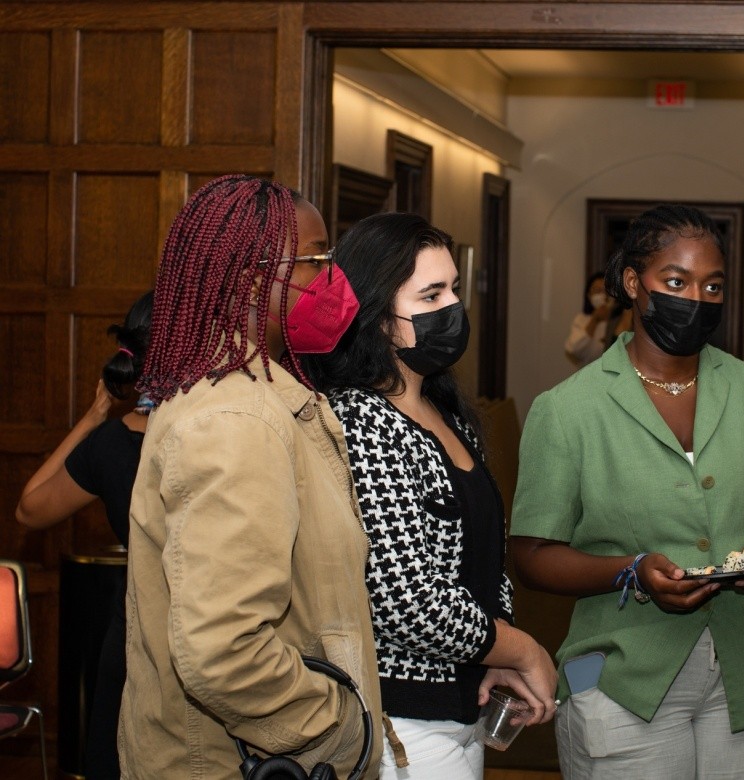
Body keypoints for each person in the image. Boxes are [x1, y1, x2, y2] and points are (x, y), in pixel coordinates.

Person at [510, 204, 744, 779]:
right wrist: (632, 568)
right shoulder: (568, 409)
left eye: (713, 285)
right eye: (676, 281)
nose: (695, 298)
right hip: (624, 678)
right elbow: (530, 556)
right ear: (633, 283)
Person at [120, 174, 383, 778]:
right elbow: (223, 652)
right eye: (318, 260)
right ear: (251, 276)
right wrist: (339, 732)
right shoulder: (237, 420)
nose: (334, 281)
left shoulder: (253, 397)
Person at [302, 212, 557, 780]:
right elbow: (400, 598)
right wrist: (520, 649)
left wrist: (494, 650)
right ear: (376, 314)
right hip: (403, 719)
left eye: (454, 290)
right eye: (430, 294)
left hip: (463, 705)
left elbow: (484, 557)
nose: (452, 309)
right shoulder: (361, 419)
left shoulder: (445, 411)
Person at [16, 290, 152, 779]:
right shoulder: (208, 433)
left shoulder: (112, 443)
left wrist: (95, 416)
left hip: (131, 627)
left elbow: (29, 507)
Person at [564, 271, 629, 368]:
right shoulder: (581, 319)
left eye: (605, 291)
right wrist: (595, 319)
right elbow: (573, 349)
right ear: (589, 295)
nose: (602, 295)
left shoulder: (621, 319)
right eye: (597, 291)